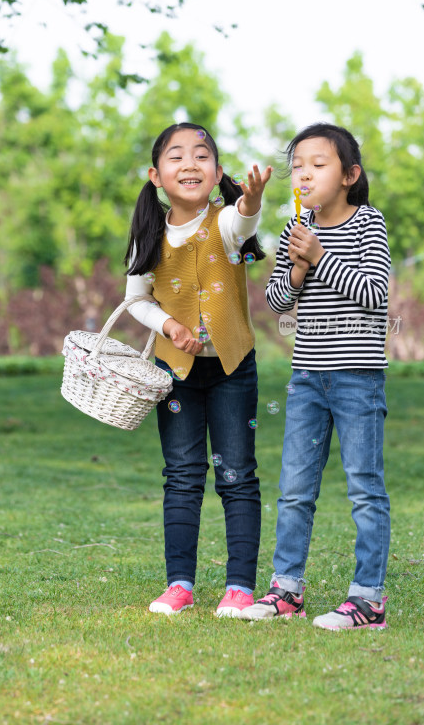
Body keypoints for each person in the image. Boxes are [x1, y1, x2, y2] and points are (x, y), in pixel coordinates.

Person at [240, 122, 391, 630]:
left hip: (357, 377)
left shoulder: (369, 223)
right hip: (307, 377)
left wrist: (322, 258)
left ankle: (368, 600)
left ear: (349, 174)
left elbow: (375, 296)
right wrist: (300, 268)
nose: (304, 175)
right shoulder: (293, 232)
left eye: (317, 165)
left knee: (365, 488)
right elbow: (277, 301)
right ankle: (286, 590)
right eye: (297, 166)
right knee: (295, 489)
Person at [124, 122, 272, 616]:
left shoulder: (226, 222)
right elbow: (136, 301)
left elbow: (245, 224)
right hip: (176, 373)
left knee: (236, 475)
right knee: (183, 476)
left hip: (233, 368)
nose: (190, 164)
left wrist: (251, 201)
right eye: (176, 157)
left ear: (218, 172)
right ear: (155, 175)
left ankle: (239, 587)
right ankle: (180, 584)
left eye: (201, 155)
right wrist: (168, 325)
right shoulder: (148, 235)